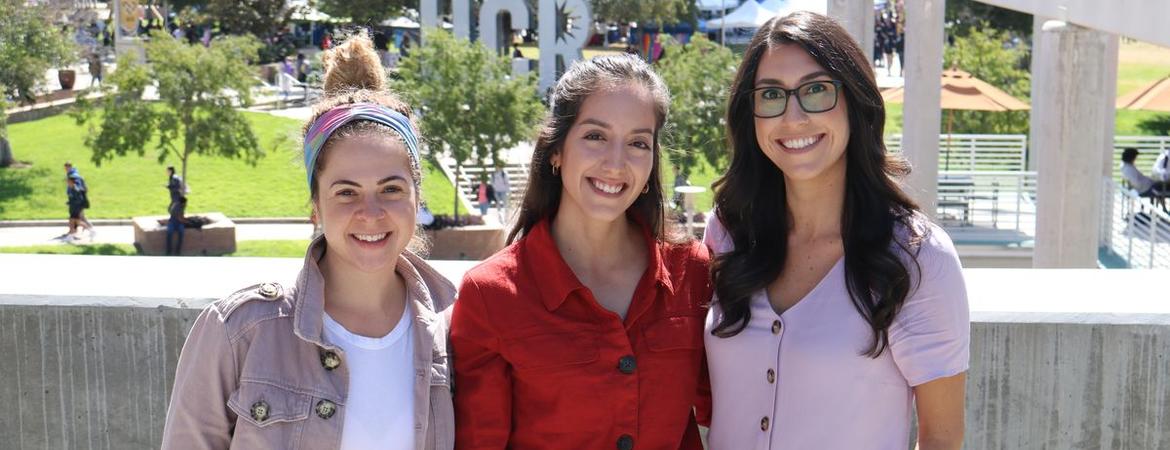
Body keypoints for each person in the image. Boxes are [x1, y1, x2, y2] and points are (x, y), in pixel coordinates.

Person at [161, 33, 456, 449]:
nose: (370, 213)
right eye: (346, 192)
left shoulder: (458, 331)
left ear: (417, 199)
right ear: (315, 206)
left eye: (391, 189)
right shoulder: (238, 332)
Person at [702, 12, 969, 450]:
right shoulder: (728, 232)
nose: (793, 117)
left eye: (816, 90)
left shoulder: (919, 257)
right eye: (771, 95)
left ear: (856, 100)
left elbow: (942, 439)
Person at [450, 54, 712, 449]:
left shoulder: (692, 270)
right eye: (595, 136)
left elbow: (733, 411)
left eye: (638, 142)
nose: (616, 163)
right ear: (556, 151)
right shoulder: (490, 295)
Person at [64, 162, 95, 238]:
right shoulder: (71, 174)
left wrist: (73, 198)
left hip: (77, 202)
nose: (66, 169)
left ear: (70, 167)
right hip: (75, 201)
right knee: (77, 218)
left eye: (67, 167)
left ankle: (90, 229)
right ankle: (73, 232)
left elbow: (78, 189)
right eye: (65, 168)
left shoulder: (74, 176)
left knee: (78, 218)